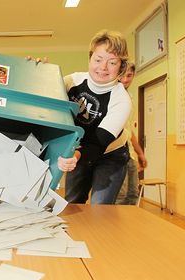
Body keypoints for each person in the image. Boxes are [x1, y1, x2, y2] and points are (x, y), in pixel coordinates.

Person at [57, 30, 132, 204]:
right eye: (98, 60)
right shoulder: (72, 82)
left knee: (100, 207)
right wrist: (36, 70)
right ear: (90, 58)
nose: (103, 68)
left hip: (110, 155)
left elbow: (98, 142)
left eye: (112, 62)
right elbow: (43, 91)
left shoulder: (122, 100)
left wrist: (74, 156)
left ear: (121, 67)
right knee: (72, 202)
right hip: (79, 148)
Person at [116, 62, 148, 205]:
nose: (125, 79)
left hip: (130, 153)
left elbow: (129, 129)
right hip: (116, 153)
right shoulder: (113, 94)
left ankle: (128, 226)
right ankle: (113, 226)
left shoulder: (130, 97)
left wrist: (140, 153)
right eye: (122, 75)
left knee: (133, 194)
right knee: (120, 195)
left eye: (129, 75)